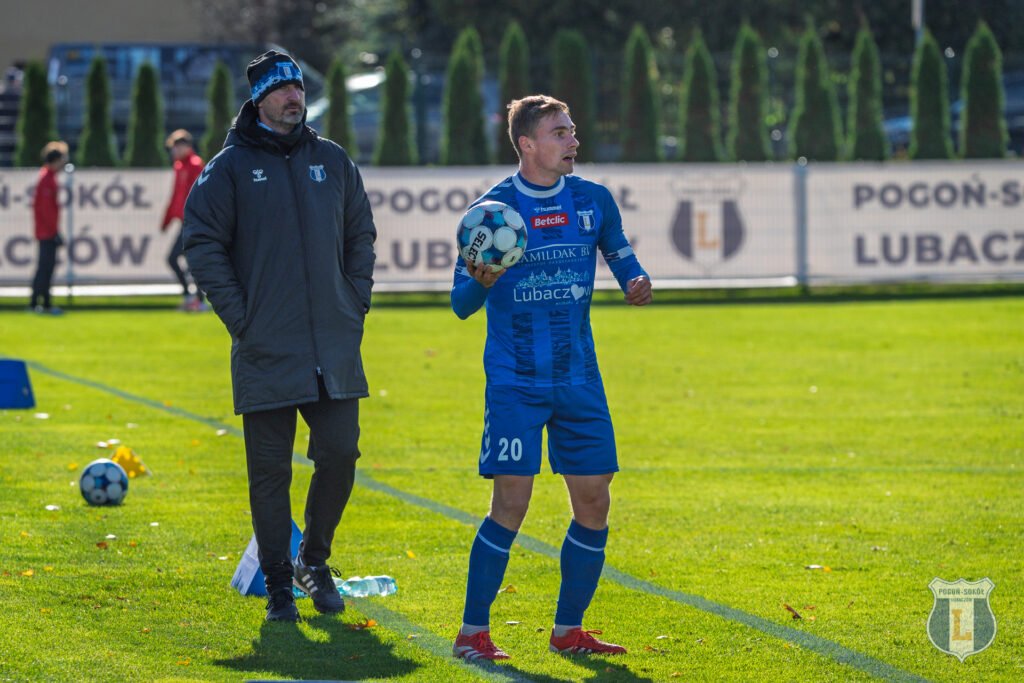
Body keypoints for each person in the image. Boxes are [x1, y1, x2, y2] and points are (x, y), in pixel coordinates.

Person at [450, 95, 653, 661]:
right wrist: (484, 274)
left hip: (579, 379)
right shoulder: (492, 213)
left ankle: (568, 631)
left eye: (572, 131)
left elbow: (623, 258)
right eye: (560, 133)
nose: (573, 141)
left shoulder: (593, 200)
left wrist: (637, 282)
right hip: (516, 382)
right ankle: (472, 633)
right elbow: (461, 303)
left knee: (594, 501)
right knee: (510, 504)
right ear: (527, 144)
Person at [182, 50, 377, 623]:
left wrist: (353, 302)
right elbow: (202, 242)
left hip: (333, 344)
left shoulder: (332, 160)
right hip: (265, 345)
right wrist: (241, 318)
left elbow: (360, 234)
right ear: (259, 100)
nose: (295, 97)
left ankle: (313, 561)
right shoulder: (229, 167)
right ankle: (278, 587)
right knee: (270, 473)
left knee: (340, 454)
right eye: (282, 90)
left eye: (299, 88)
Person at [160, 129, 205, 311]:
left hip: (194, 222)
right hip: (184, 223)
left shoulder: (196, 165)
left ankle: (196, 299)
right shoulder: (179, 166)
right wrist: (167, 220)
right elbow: (175, 196)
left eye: (177, 147)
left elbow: (200, 196)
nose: (174, 151)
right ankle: (194, 298)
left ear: (186, 146)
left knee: (177, 258)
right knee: (187, 261)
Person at [30, 141, 68, 314]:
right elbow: (46, 210)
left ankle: (43, 302)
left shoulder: (49, 177)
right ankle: (36, 303)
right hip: (46, 232)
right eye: (61, 160)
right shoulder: (46, 179)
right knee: (45, 268)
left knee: (47, 268)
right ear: (55, 160)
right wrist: (54, 232)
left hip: (47, 231)